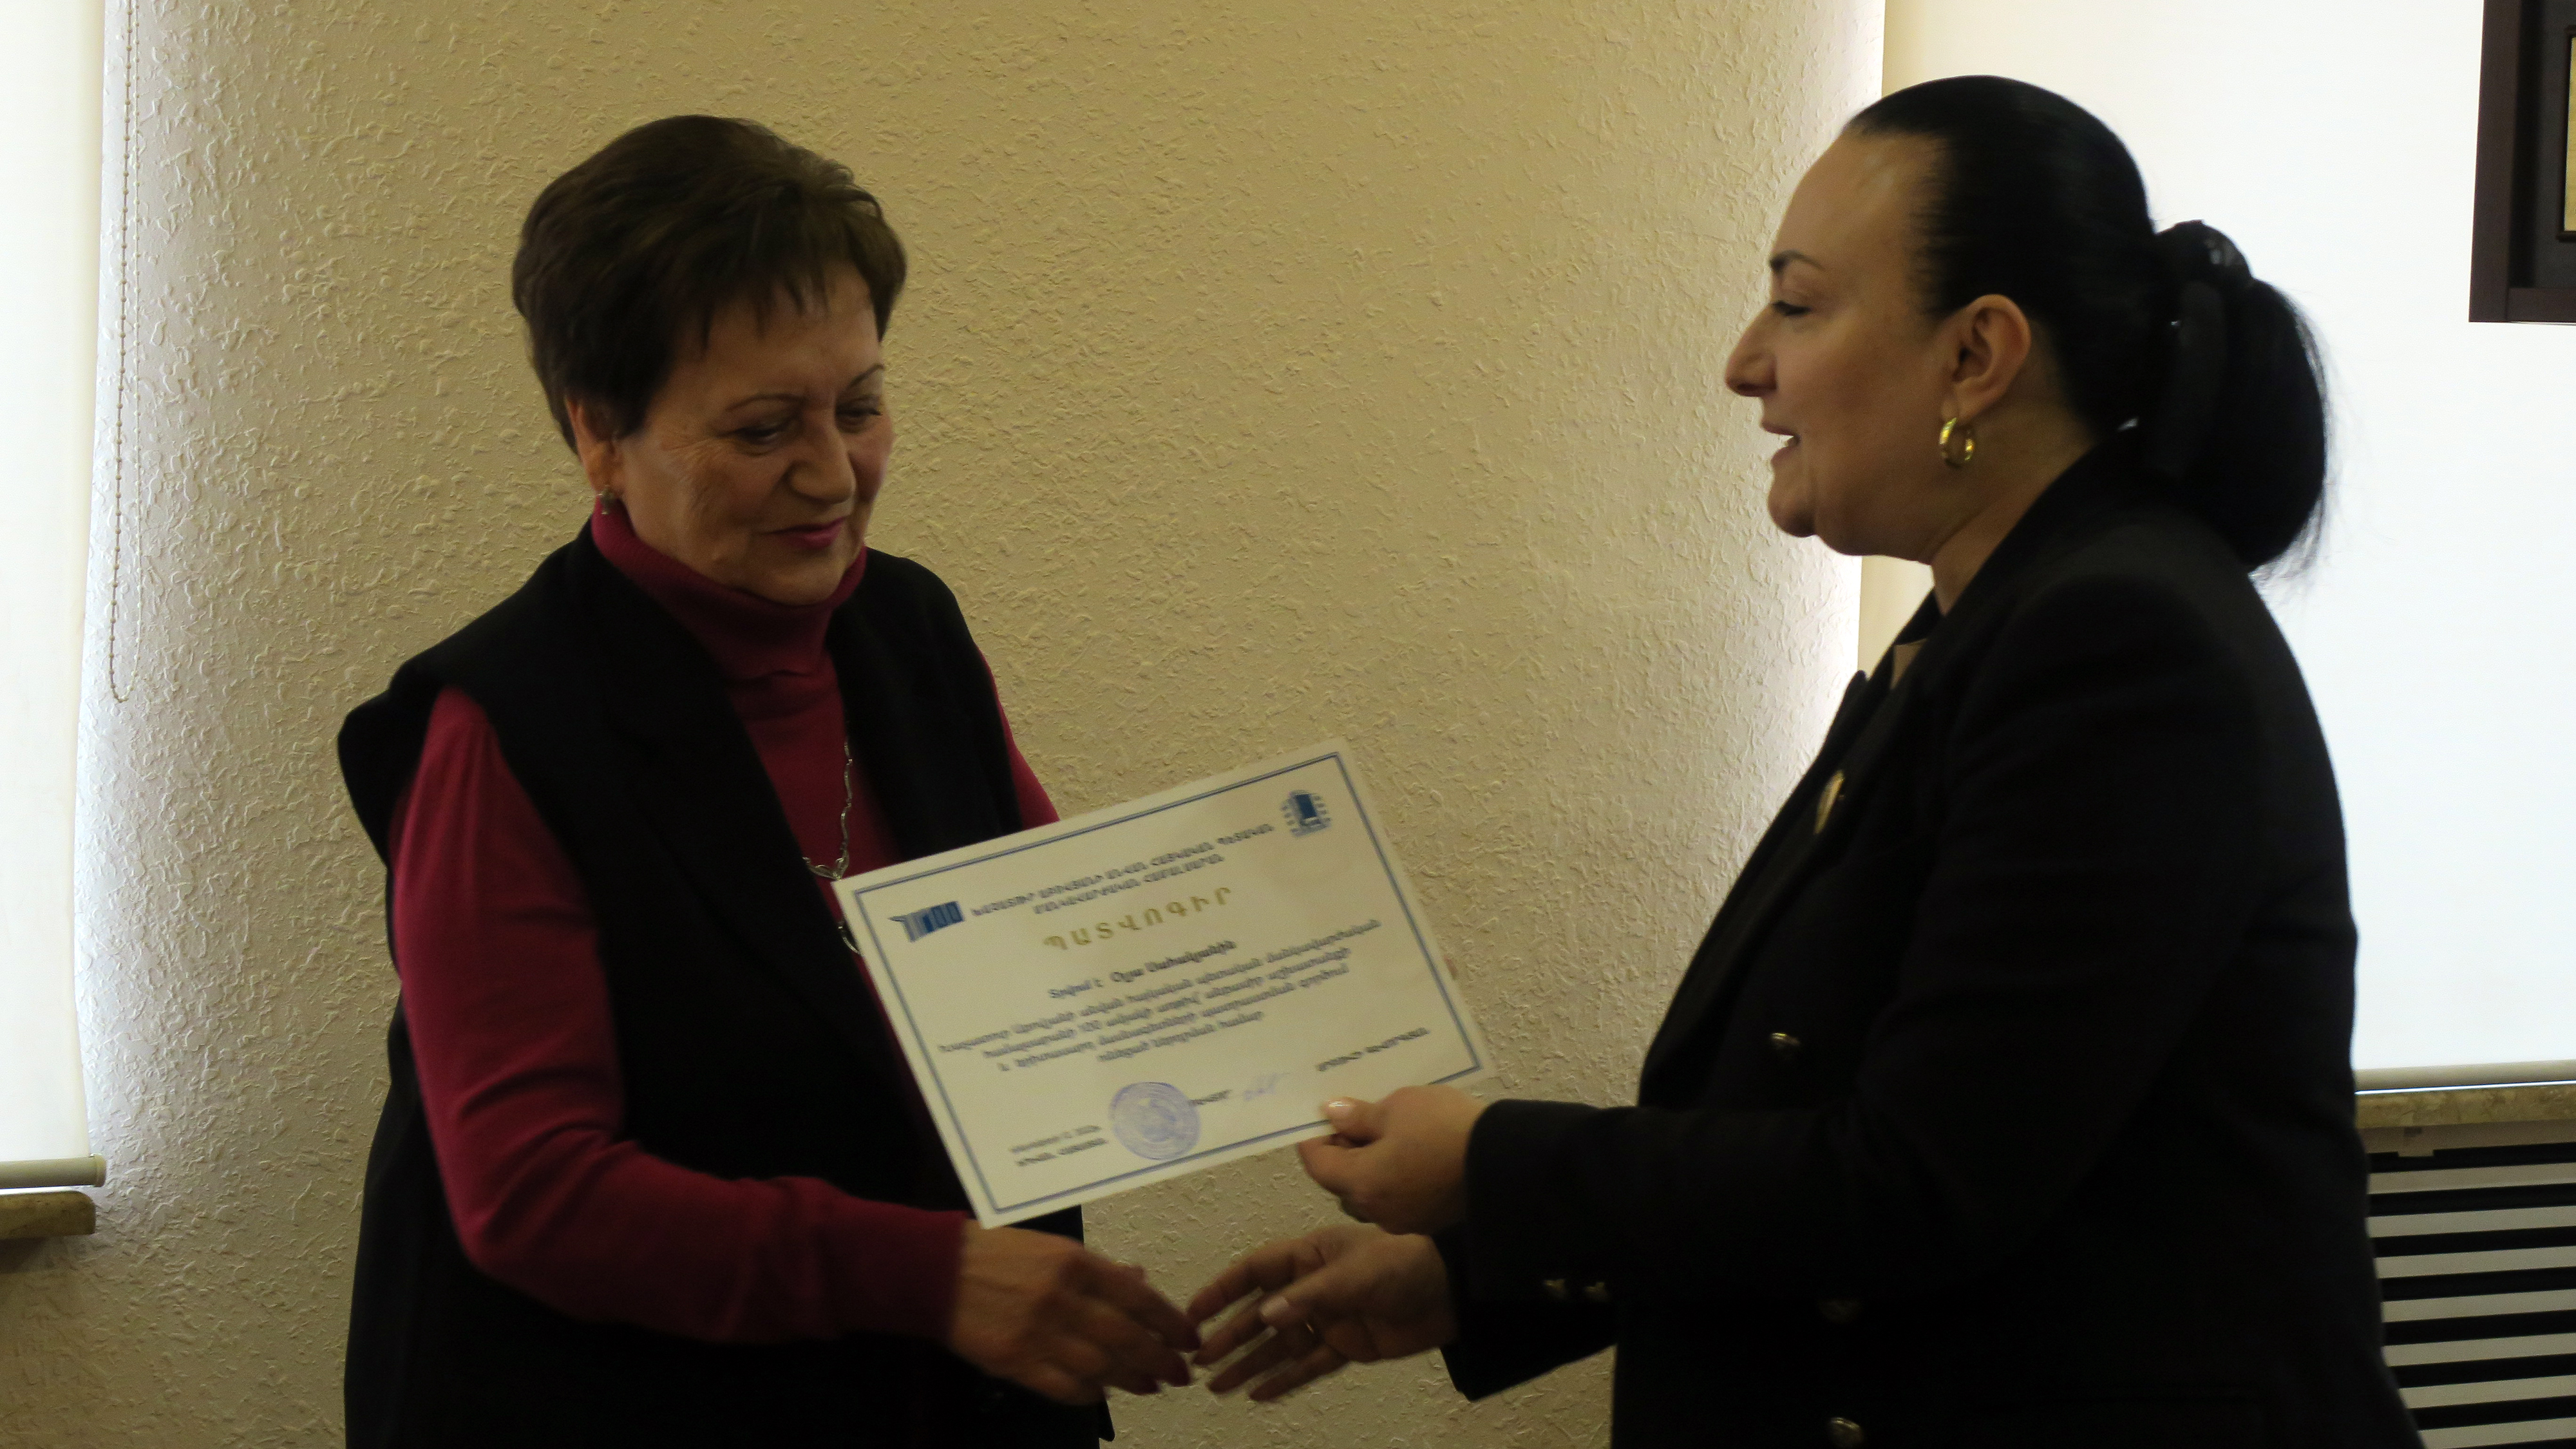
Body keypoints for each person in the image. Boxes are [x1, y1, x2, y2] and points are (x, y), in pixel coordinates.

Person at [1188, 77, 2424, 1449]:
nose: (1744, 363)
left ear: (1976, 355)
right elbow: (1805, 1119)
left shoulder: (2115, 641)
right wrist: (1466, 1283)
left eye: (1796, 304)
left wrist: (1490, 1164)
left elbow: (1918, 1180)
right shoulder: (1995, 619)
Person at [336, 116, 1196, 1447]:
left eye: (859, 407)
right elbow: (534, 1196)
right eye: (761, 428)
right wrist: (932, 1275)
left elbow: (1051, 953)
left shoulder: (907, 630)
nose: (831, 473)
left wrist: (1296, 1045)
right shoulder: (505, 724)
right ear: (598, 435)